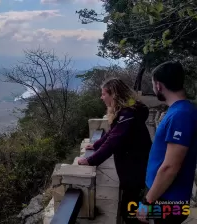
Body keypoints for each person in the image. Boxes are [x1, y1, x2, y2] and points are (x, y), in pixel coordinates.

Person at [78, 78, 152, 224]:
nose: (101, 97)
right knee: (132, 205)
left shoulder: (127, 114)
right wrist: (97, 144)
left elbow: (114, 141)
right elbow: (114, 131)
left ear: (114, 95)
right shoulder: (129, 109)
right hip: (137, 165)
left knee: (129, 210)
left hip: (135, 167)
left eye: (104, 94)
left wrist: (90, 160)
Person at [137, 61, 197, 224]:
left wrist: (147, 202)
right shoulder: (179, 110)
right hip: (164, 195)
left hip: (168, 199)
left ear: (158, 85)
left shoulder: (181, 115)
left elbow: (170, 167)